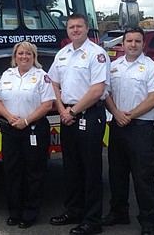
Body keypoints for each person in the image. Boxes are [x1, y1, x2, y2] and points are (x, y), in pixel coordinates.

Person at [48, 13, 110, 235]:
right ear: (67, 30)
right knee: (71, 167)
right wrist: (63, 109)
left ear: (87, 28)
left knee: (91, 169)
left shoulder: (97, 54)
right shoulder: (62, 54)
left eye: (79, 26)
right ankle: (73, 210)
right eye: (71, 27)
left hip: (89, 115)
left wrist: (72, 110)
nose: (75, 30)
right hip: (68, 115)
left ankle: (92, 220)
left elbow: (97, 90)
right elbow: (53, 83)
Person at [102, 27, 154, 235]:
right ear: (123, 43)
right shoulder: (113, 66)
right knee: (116, 173)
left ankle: (148, 220)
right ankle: (119, 212)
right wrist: (116, 113)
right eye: (129, 41)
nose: (133, 44)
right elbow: (106, 93)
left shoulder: (152, 68)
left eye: (137, 41)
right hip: (118, 126)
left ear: (143, 43)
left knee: (143, 176)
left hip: (141, 129)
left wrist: (129, 115)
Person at [0, 41, 55, 229]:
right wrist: (10, 117)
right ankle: (14, 212)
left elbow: (47, 105)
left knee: (33, 173)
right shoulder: (7, 75)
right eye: (20, 54)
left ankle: (30, 213)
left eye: (28, 54)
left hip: (33, 129)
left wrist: (26, 121)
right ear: (15, 56)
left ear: (34, 57)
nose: (24, 57)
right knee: (12, 172)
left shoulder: (42, 77)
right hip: (11, 129)